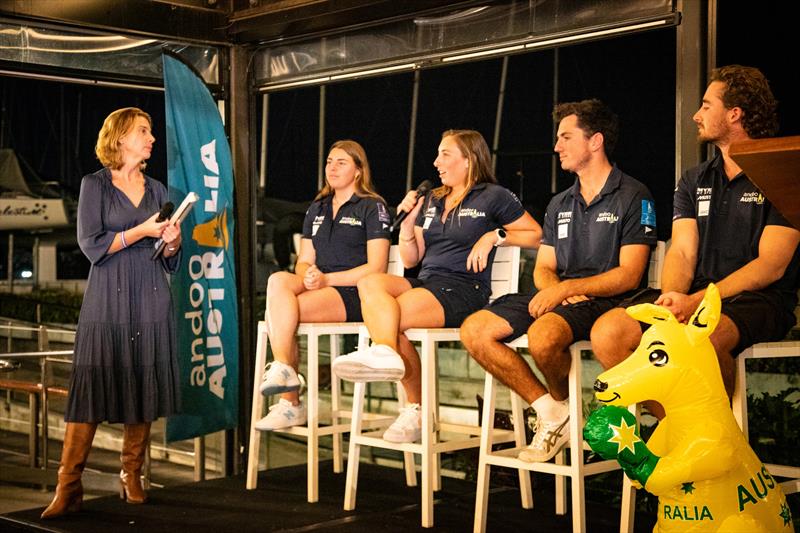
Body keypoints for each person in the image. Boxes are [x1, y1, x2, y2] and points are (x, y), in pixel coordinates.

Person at [591, 65, 800, 415]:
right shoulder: (694, 179)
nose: (695, 115)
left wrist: (699, 302)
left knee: (701, 338)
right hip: (697, 294)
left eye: (706, 105)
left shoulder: (782, 169)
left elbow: (772, 265)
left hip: (758, 299)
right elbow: (683, 251)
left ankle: (717, 449)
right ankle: (676, 429)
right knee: (609, 332)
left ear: (734, 114)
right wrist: (674, 297)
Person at [460, 99, 657, 462]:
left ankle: (561, 411)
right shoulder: (559, 203)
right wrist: (558, 292)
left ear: (595, 141)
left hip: (608, 300)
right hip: (563, 297)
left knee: (544, 336)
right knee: (475, 330)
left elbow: (629, 274)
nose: (557, 146)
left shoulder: (633, 194)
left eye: (566, 137)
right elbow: (544, 267)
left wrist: (569, 290)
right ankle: (554, 410)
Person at [332, 129, 542, 443]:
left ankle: (412, 404)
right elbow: (411, 256)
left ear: (469, 160)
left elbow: (536, 234)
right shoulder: (433, 198)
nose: (436, 161)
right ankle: (389, 357)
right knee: (371, 282)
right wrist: (406, 224)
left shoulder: (493, 195)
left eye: (445, 154)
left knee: (391, 318)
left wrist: (494, 236)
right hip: (427, 282)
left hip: (464, 288)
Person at [42, 108, 182, 518]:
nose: (151, 137)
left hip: (151, 293)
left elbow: (169, 256)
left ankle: (131, 475)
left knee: (142, 382)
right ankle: (69, 485)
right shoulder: (94, 185)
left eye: (151, 131)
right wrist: (143, 231)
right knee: (91, 388)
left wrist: (172, 241)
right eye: (143, 131)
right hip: (108, 296)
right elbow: (90, 244)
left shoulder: (157, 189)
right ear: (120, 138)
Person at [256, 140, 391, 430]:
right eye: (329, 161)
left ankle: (290, 402)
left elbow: (376, 268)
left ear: (358, 170)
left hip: (355, 292)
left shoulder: (372, 207)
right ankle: (284, 374)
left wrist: (327, 279)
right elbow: (304, 259)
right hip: (322, 285)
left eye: (341, 162)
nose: (332, 167)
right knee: (279, 280)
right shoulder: (317, 208)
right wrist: (307, 273)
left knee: (283, 312)